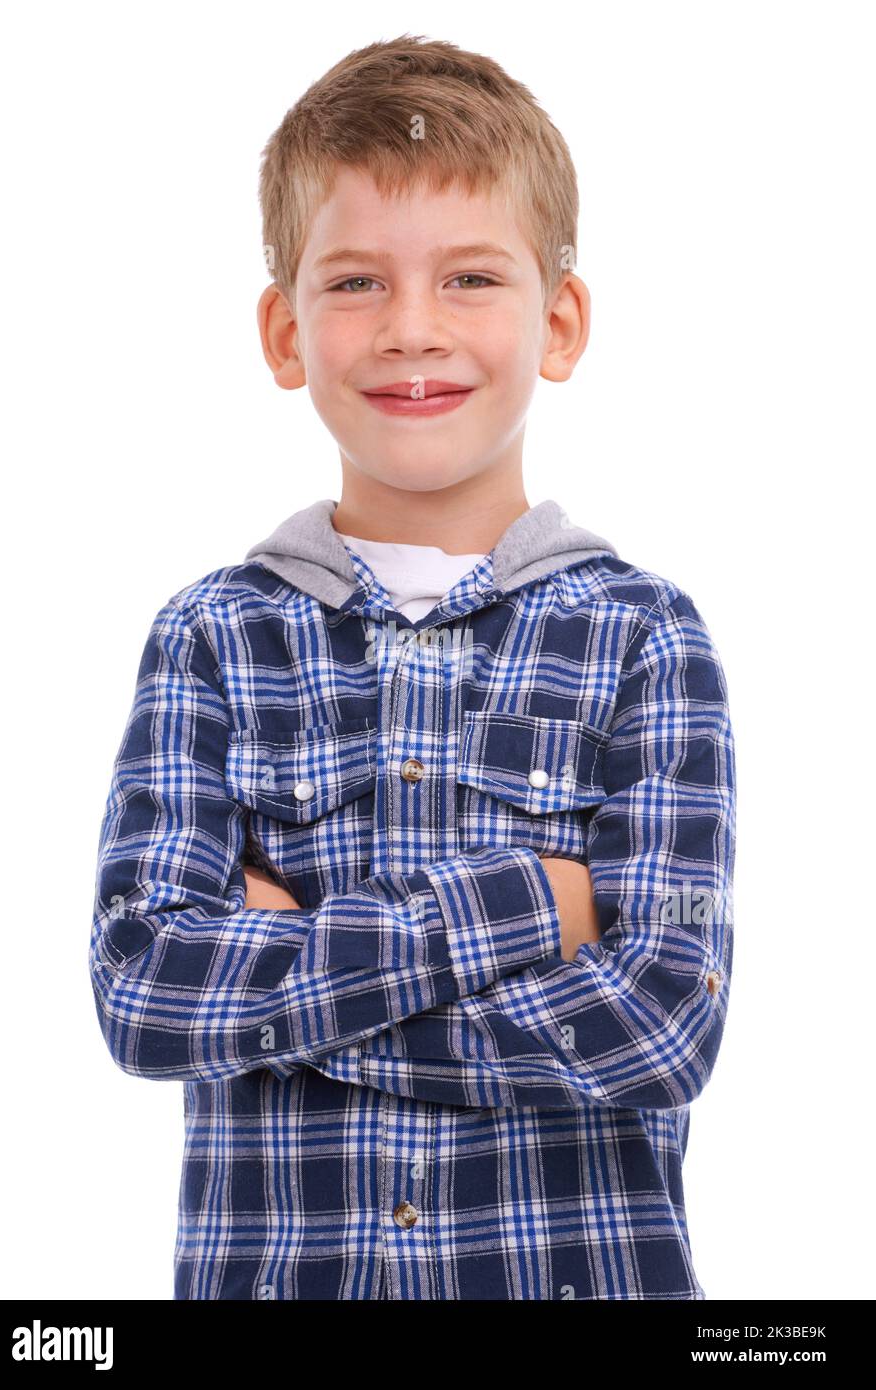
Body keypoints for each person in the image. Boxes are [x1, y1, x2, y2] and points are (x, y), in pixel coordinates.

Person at [89, 34, 736, 1301]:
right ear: (284, 332)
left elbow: (661, 1023)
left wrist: (291, 1005)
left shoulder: (645, 637)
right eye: (353, 284)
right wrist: (528, 910)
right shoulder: (212, 637)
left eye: (470, 277)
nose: (411, 330)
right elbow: (146, 991)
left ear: (557, 322)